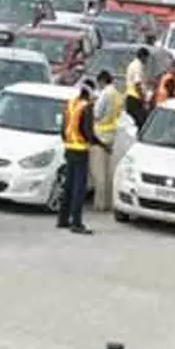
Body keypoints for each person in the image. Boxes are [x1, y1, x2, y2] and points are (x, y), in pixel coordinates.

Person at [58, 79, 99, 235]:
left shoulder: (70, 104)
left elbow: (63, 128)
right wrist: (99, 143)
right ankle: (76, 222)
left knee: (68, 185)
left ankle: (62, 219)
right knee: (79, 188)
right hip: (81, 150)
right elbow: (88, 132)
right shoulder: (86, 107)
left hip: (69, 148)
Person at [89, 70, 124, 218]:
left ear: (102, 81)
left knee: (99, 173)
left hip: (100, 135)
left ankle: (99, 204)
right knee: (109, 172)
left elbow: (96, 114)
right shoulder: (117, 95)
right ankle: (109, 202)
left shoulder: (104, 94)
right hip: (112, 134)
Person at [125, 46, 150, 129]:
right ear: (143, 56)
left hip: (132, 97)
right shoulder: (137, 66)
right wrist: (143, 99)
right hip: (135, 98)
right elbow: (137, 84)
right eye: (146, 58)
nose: (147, 61)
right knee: (140, 124)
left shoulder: (134, 64)